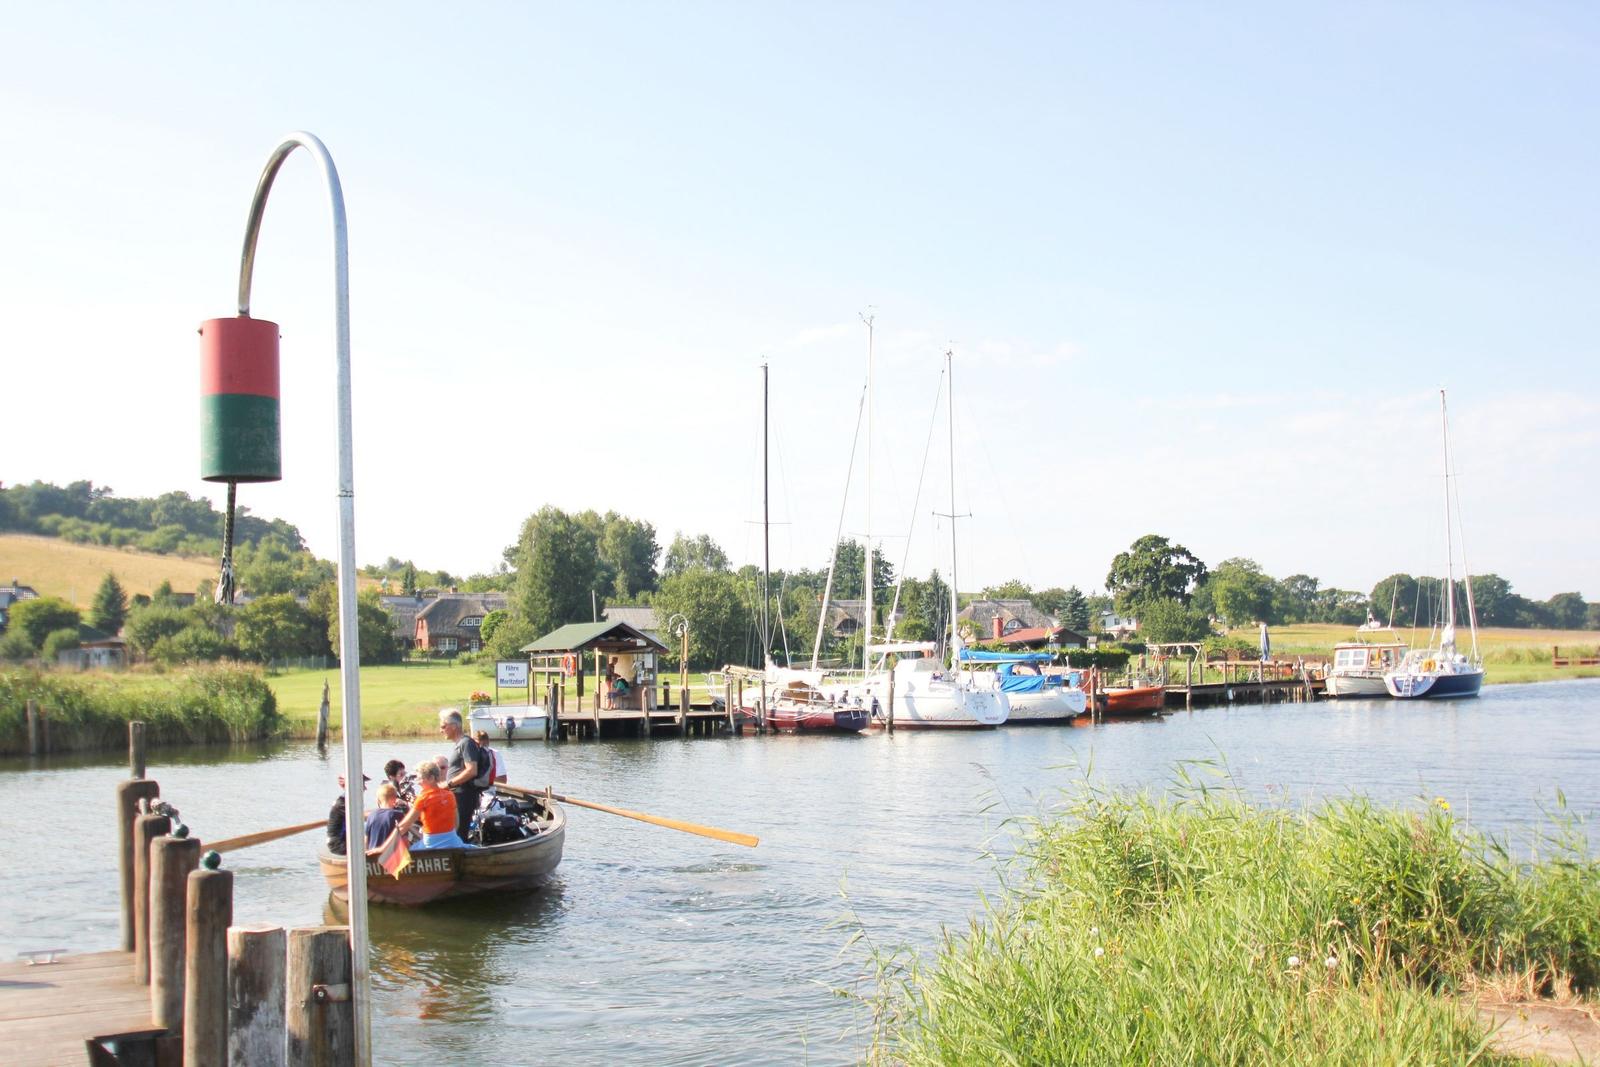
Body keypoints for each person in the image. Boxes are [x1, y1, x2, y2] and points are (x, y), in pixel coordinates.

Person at [392, 761, 468, 850]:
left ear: (431, 778)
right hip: (453, 841)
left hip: (430, 844)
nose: (417, 782)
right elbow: (456, 824)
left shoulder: (423, 798)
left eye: (419, 778)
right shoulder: (450, 795)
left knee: (407, 853)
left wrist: (384, 848)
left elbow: (403, 826)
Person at [439, 707, 486, 835]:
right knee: (456, 831)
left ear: (454, 726)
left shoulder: (466, 743)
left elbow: (472, 770)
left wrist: (448, 784)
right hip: (458, 795)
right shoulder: (460, 744)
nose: (441, 730)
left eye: (443, 726)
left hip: (464, 796)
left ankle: (461, 854)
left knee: (460, 832)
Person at [324, 773, 370, 856]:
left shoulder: (352, 801)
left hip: (345, 840)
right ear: (354, 787)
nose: (365, 788)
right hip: (338, 844)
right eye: (362, 785)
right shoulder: (342, 803)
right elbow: (361, 816)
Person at [364, 781, 406, 849]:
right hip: (391, 856)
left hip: (373, 856)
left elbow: (366, 840)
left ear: (378, 800)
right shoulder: (397, 814)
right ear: (395, 799)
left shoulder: (372, 815)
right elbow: (404, 839)